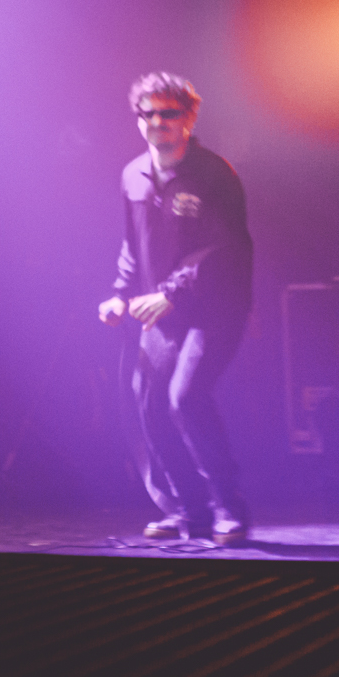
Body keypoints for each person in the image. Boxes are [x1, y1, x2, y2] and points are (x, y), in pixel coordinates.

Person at [98, 72, 254, 545]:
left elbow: (224, 248)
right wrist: (120, 293)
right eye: (148, 114)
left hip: (214, 307)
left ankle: (229, 508)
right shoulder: (132, 176)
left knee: (185, 396)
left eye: (168, 113)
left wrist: (171, 293)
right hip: (162, 312)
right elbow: (133, 245)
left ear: (190, 117)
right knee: (149, 403)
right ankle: (189, 510)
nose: (157, 122)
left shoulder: (214, 174)